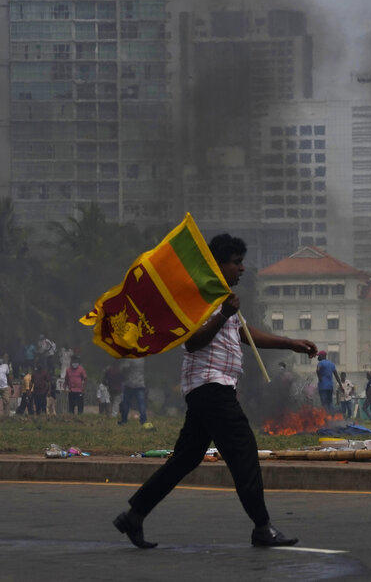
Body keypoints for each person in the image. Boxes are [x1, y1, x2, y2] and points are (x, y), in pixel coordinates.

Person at [114, 233, 318, 549]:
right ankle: (262, 528)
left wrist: (290, 344)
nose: (242, 269)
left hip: (207, 390)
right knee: (244, 452)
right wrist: (223, 313)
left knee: (185, 459)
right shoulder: (200, 299)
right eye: (236, 263)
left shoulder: (222, 299)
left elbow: (245, 335)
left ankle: (134, 515)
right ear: (218, 265)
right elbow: (192, 341)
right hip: (211, 388)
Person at [119, 358, 148, 425]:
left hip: (129, 384)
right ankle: (143, 420)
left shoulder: (129, 358)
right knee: (141, 403)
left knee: (126, 403)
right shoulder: (142, 358)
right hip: (140, 383)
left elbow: (123, 368)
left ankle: (124, 420)